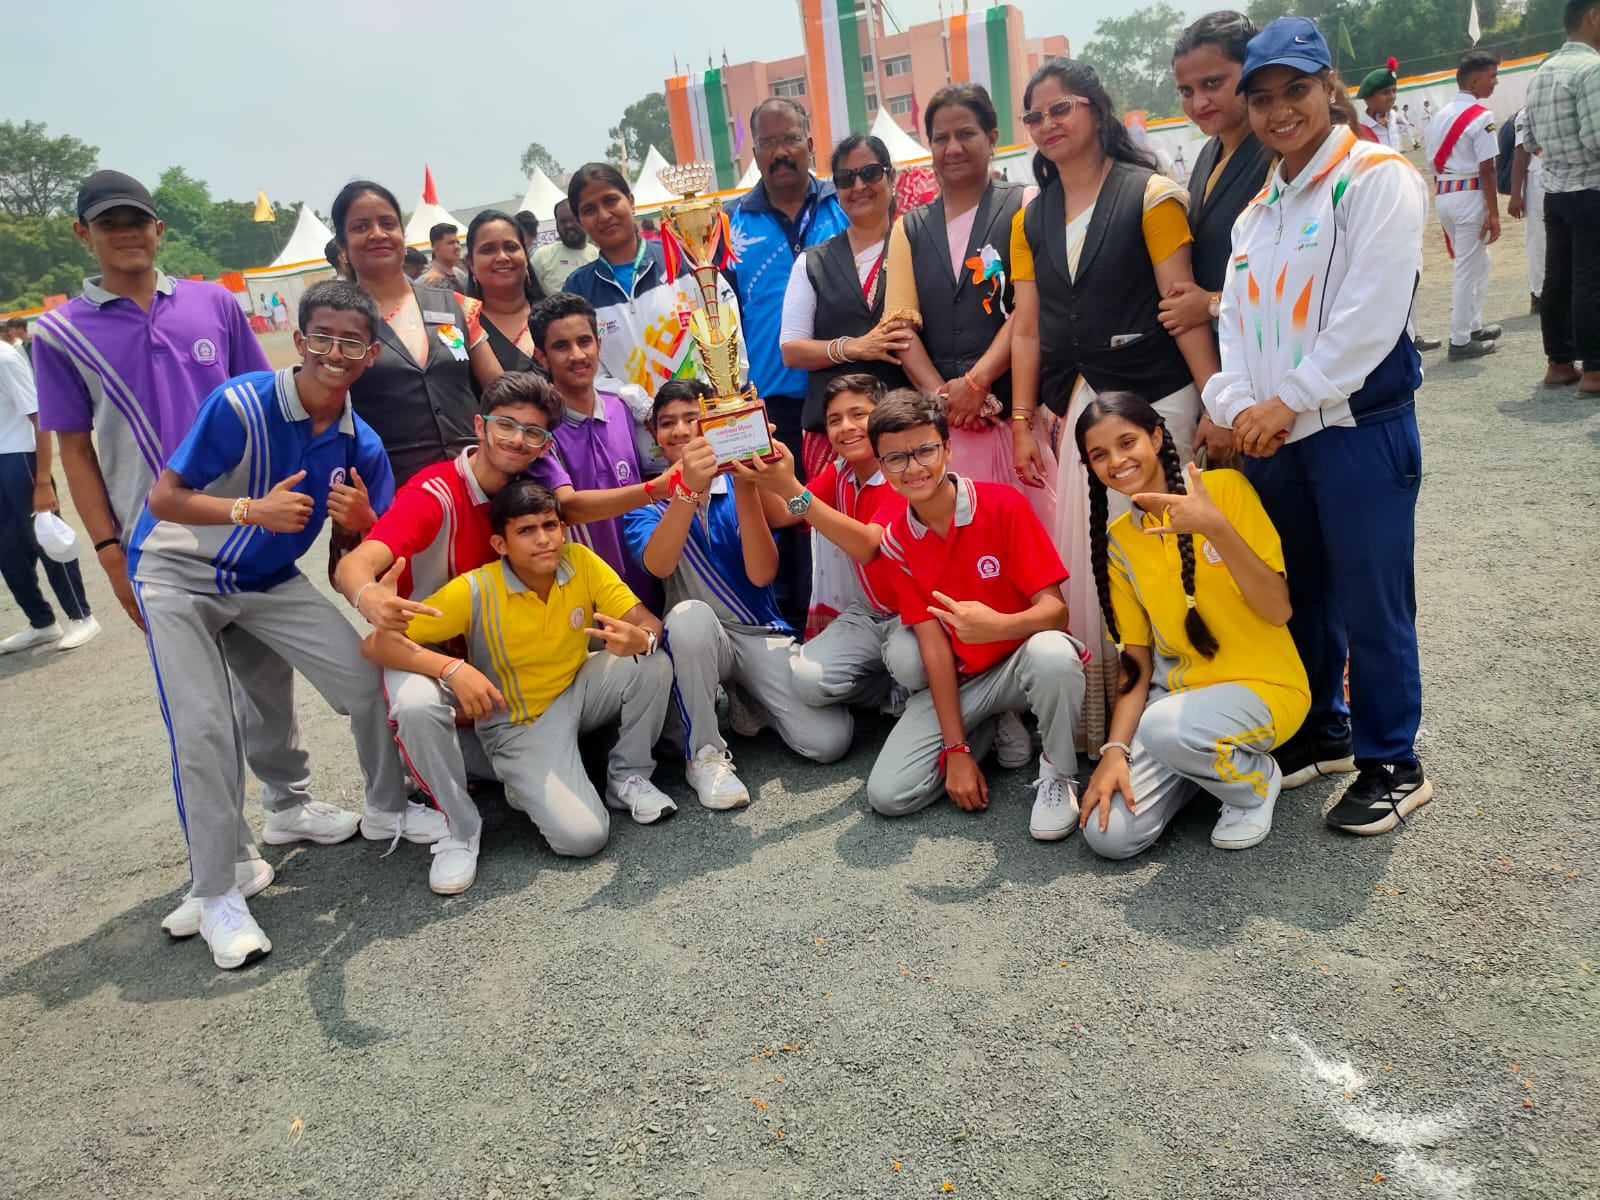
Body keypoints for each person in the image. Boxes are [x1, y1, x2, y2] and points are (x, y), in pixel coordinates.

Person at [33, 169, 336, 939]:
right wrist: (110, 554)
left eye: (137, 219)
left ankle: (290, 806)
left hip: (243, 533)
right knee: (199, 720)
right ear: (83, 234)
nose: (127, 233)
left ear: (158, 228)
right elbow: (76, 450)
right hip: (159, 549)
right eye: (109, 223)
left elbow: (262, 402)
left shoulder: (214, 304)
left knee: (269, 683)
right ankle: (224, 867)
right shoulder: (59, 334)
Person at [126, 280, 436, 969]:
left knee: (363, 680)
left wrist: (364, 523)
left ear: (371, 355)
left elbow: (379, 546)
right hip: (178, 572)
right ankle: (217, 891)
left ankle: (371, 809)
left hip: (265, 579)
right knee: (206, 728)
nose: (334, 352)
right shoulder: (239, 403)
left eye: (351, 342)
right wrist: (249, 511)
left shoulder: (360, 442)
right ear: (298, 341)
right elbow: (164, 498)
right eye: (321, 336)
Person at [1203, 17, 1433, 835]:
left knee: (1373, 601)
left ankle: (1393, 761)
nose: (1279, 111)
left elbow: (1371, 317)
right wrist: (1235, 403)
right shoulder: (1257, 211)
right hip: (1275, 438)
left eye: (1295, 90)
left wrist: (1289, 399)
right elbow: (1234, 321)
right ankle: (1323, 730)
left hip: (1355, 427)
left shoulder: (1375, 178)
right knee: (1302, 596)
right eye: (1262, 97)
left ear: (1329, 85)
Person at [1008, 57, 1220, 754]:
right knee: (1102, 559)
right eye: (1034, 115)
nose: (1047, 124)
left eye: (1060, 108)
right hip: (1082, 414)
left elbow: (1182, 309)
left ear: (1095, 109)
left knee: (1176, 552)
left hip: (1158, 400)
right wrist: (1022, 421)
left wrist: (1216, 401)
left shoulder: (1151, 196)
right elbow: (1028, 327)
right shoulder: (1030, 217)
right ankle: (1111, 731)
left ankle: (1195, 718)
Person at [336, 372, 600, 891]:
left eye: (533, 432)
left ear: (545, 444)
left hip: (495, 652)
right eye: (506, 425)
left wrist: (662, 488)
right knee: (417, 706)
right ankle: (459, 828)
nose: (517, 440)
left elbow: (585, 506)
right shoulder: (434, 492)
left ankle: (505, 771)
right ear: (480, 425)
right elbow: (358, 564)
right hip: (423, 646)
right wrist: (369, 596)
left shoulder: (530, 489)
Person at [366, 478, 677, 885]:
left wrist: (643, 638)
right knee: (585, 838)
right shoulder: (475, 589)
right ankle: (516, 776)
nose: (544, 539)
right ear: (501, 544)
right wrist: (451, 669)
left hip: (577, 690)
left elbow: (647, 623)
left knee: (652, 662)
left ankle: (628, 777)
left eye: (550, 525)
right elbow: (376, 644)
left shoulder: (579, 560)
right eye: (526, 530)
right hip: (521, 725)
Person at [1072, 393, 1308, 858]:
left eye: (1127, 442)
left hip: (1265, 688)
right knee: (1108, 835)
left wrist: (1214, 527)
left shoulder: (1225, 489)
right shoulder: (1118, 542)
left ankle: (1255, 782)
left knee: (1165, 729)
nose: (1116, 461)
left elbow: (1278, 610)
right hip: (1175, 708)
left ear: (1156, 437)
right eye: (1099, 454)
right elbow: (1136, 662)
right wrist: (1114, 750)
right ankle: (1198, 767)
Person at [864, 390, 1087, 839]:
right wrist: (957, 750)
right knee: (888, 795)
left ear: (948, 449)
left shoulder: (1003, 504)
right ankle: (988, 726)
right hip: (968, 680)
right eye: (896, 458)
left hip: (1022, 664)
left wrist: (998, 626)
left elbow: (1056, 613)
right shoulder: (895, 540)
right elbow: (933, 646)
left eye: (925, 450)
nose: (914, 467)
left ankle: (1058, 774)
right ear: (882, 468)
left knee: (1053, 654)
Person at [624, 380, 853, 810]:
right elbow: (659, 565)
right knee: (689, 616)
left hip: (755, 632)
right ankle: (704, 755)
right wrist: (686, 490)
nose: (680, 431)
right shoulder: (647, 500)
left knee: (829, 741)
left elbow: (763, 571)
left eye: (693, 419)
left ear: (714, 425)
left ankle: (745, 701)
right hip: (695, 641)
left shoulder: (746, 486)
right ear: (654, 434)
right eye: (668, 423)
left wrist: (747, 481)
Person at [728, 97, 850, 631]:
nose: (780, 152)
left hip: (844, 392)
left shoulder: (843, 202)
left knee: (842, 507)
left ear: (810, 143)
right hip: (771, 397)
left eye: (790, 139)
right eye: (768, 143)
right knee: (787, 510)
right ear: (754, 153)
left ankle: (855, 609)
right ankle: (795, 623)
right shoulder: (731, 223)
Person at [884, 83, 1039, 494]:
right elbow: (900, 329)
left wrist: (977, 383)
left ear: (991, 138)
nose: (953, 148)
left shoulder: (1025, 204)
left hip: (1020, 419)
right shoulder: (908, 229)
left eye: (966, 133)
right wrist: (942, 399)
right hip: (946, 432)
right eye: (941, 138)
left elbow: (1030, 310)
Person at [737, 374, 915, 717]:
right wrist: (755, 464)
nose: (846, 427)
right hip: (868, 613)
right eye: (835, 420)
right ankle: (890, 689)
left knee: (912, 662)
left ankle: (925, 688)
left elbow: (868, 546)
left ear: (884, 417)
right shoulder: (840, 472)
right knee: (808, 681)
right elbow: (782, 513)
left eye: (858, 414)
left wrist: (790, 486)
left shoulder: (904, 469)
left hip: (916, 615)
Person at [332, 180, 500, 488]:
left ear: (402, 235)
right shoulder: (335, 325)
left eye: (388, 223)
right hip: (393, 493)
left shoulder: (455, 305)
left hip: (476, 483)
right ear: (342, 247)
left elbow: (501, 391)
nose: (378, 234)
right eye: (360, 227)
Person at [527, 293, 686, 604]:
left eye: (584, 341)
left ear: (599, 345)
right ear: (542, 357)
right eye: (561, 346)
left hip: (649, 577)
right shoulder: (540, 430)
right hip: (587, 592)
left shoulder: (621, 408)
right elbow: (567, 507)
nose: (577, 355)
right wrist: (656, 489)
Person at [778, 134, 911, 480]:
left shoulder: (918, 245)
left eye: (870, 173)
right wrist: (854, 347)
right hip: (835, 438)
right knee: (828, 514)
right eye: (846, 178)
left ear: (892, 177)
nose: (859, 186)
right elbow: (791, 350)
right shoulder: (813, 262)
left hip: (904, 431)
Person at [561, 163, 744, 410]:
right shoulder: (578, 289)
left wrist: (713, 394)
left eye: (610, 200)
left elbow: (727, 324)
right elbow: (586, 369)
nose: (603, 215)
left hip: (706, 414)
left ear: (631, 202)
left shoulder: (685, 260)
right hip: (633, 427)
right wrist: (637, 403)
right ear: (580, 222)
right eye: (589, 210)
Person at [1160, 13, 1273, 379]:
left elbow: (1301, 272)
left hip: (1275, 353)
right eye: (1186, 91)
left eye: (1212, 83)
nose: (1198, 102)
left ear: (1251, 71)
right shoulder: (1210, 153)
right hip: (1227, 353)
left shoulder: (1278, 154)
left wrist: (1211, 304)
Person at [0, 330, 98, 652]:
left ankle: (82, 616)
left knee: (47, 539)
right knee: (8, 552)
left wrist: (43, 479)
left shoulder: (5, 358)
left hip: (20, 459)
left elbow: (39, 417)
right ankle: (41, 622)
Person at [1522, 0, 1600, 394]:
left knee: (1558, 279)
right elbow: (1597, 138)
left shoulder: (1542, 72)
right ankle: (1595, 369)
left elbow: (1529, 139)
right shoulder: (1592, 69)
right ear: (1594, 16)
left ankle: (1559, 363)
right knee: (1591, 280)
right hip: (1591, 187)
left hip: (1555, 191)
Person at [1425, 51, 1504, 360]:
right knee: (1467, 268)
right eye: (1492, 76)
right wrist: (1494, 214)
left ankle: (1472, 326)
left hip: (1445, 194)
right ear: (1474, 80)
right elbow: (1488, 169)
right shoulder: (1481, 116)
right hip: (1469, 195)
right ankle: (1459, 341)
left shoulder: (1440, 115)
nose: (1495, 82)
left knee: (1478, 263)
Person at [465, 209, 545, 373]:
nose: (502, 257)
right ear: (471, 263)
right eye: (488, 250)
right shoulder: (464, 328)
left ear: (526, 255)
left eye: (511, 247)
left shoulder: (556, 314)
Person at [1509, 107, 1546, 315]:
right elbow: (1521, 154)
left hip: (1565, 177)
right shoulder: (1526, 112)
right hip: (1537, 180)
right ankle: (1538, 293)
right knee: (1538, 239)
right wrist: (1515, 194)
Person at [529, 199, 598, 295]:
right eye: (562, 221)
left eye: (573, 219)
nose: (568, 225)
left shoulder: (598, 256)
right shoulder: (542, 256)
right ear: (557, 225)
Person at [1357, 59, 1405, 150]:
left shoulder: (1392, 117)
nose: (1392, 96)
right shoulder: (1360, 130)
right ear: (1367, 98)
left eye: (1394, 91)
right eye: (1385, 93)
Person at [420, 221, 468, 291]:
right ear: (436, 248)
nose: (457, 247)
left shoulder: (459, 274)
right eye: (450, 243)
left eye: (458, 242)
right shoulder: (428, 281)